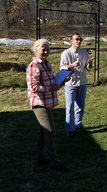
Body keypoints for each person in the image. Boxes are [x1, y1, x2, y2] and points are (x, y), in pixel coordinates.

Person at [27, 39, 71, 172]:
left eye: (48, 49)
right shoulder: (34, 66)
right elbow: (34, 87)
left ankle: (41, 158)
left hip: (48, 101)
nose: (46, 52)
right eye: (43, 49)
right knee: (50, 132)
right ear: (36, 50)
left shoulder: (46, 63)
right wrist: (51, 88)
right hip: (39, 103)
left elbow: (52, 81)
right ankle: (55, 164)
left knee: (43, 131)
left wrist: (62, 81)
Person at [60, 32, 93, 138]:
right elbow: (62, 68)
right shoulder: (66, 53)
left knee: (80, 106)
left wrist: (89, 64)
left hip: (82, 82)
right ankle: (70, 128)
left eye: (80, 39)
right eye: (77, 39)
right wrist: (71, 65)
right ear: (71, 41)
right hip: (71, 83)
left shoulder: (84, 53)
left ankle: (77, 125)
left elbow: (87, 68)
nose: (79, 41)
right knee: (69, 107)